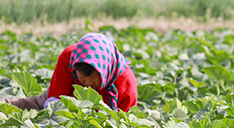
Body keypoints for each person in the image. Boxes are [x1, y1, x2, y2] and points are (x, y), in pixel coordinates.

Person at [3, 33, 138, 112]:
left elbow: (123, 125)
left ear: (105, 72)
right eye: (83, 80)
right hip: (65, 102)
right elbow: (54, 101)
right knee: (22, 107)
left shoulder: (125, 83)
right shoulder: (69, 57)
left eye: (94, 80)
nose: (88, 85)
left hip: (102, 121)